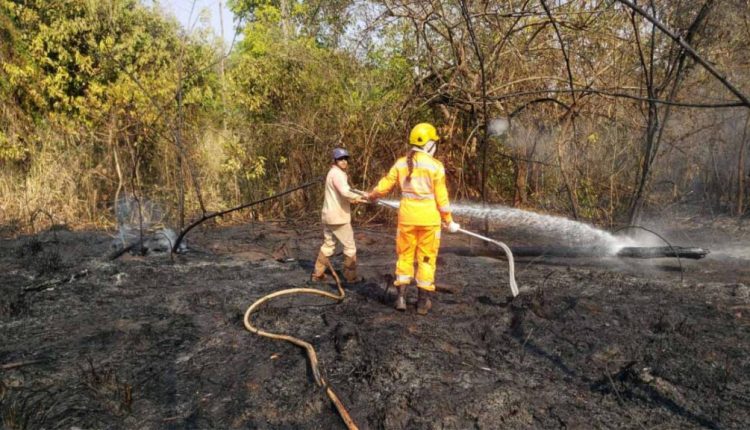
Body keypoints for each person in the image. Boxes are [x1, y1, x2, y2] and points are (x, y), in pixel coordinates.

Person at [366, 123, 460, 315]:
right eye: (434, 142)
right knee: (426, 259)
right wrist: (449, 221)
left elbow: (385, 185)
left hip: (407, 218)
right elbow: (442, 199)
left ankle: (400, 298)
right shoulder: (435, 166)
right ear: (428, 144)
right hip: (429, 221)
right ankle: (422, 303)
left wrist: (372, 195)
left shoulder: (401, 163)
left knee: (405, 256)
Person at [311, 148, 366, 284]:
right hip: (338, 218)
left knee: (328, 245)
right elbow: (345, 191)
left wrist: (356, 197)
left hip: (328, 215)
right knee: (350, 247)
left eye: (345, 159)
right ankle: (351, 277)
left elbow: (343, 193)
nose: (344, 161)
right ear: (335, 160)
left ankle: (317, 274)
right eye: (341, 159)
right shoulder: (337, 174)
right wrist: (360, 196)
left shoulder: (333, 173)